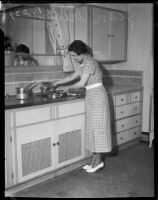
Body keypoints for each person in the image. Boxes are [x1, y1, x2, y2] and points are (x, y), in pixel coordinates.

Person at [53, 40, 112, 173]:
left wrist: (64, 88)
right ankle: (94, 161)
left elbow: (81, 83)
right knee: (92, 128)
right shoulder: (84, 63)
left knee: (98, 129)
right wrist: (58, 82)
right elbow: (73, 76)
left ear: (81, 53)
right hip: (91, 96)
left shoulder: (90, 62)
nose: (73, 59)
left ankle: (98, 162)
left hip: (98, 97)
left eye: (74, 55)